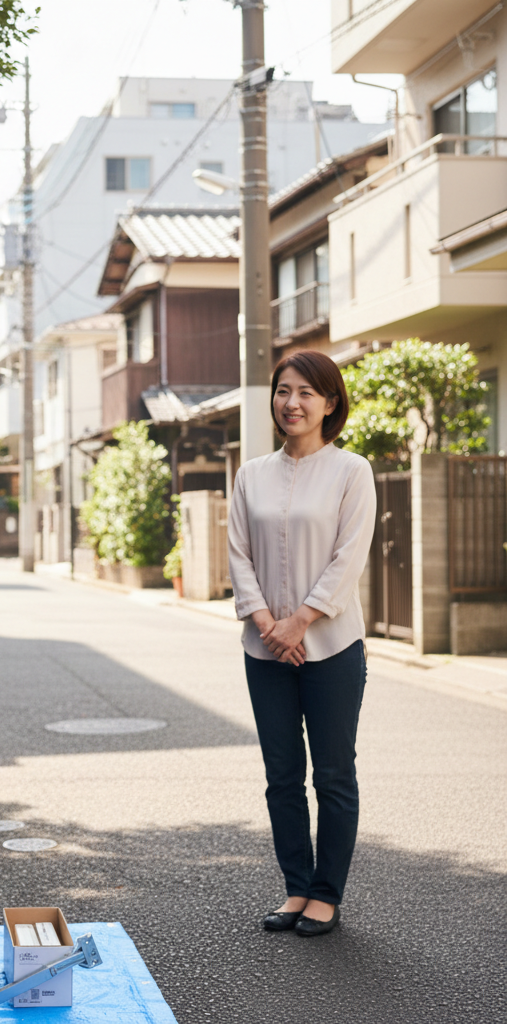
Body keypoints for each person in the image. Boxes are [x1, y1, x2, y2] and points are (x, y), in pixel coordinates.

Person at [227, 350, 375, 938]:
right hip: (265, 650)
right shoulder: (251, 474)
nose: (291, 402)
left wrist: (302, 621)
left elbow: (349, 557)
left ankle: (326, 894)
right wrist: (268, 623)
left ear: (330, 402)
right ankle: (295, 886)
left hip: (333, 647)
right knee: (281, 774)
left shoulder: (352, 471)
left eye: (306, 393)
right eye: (283, 391)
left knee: (334, 774)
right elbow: (238, 553)